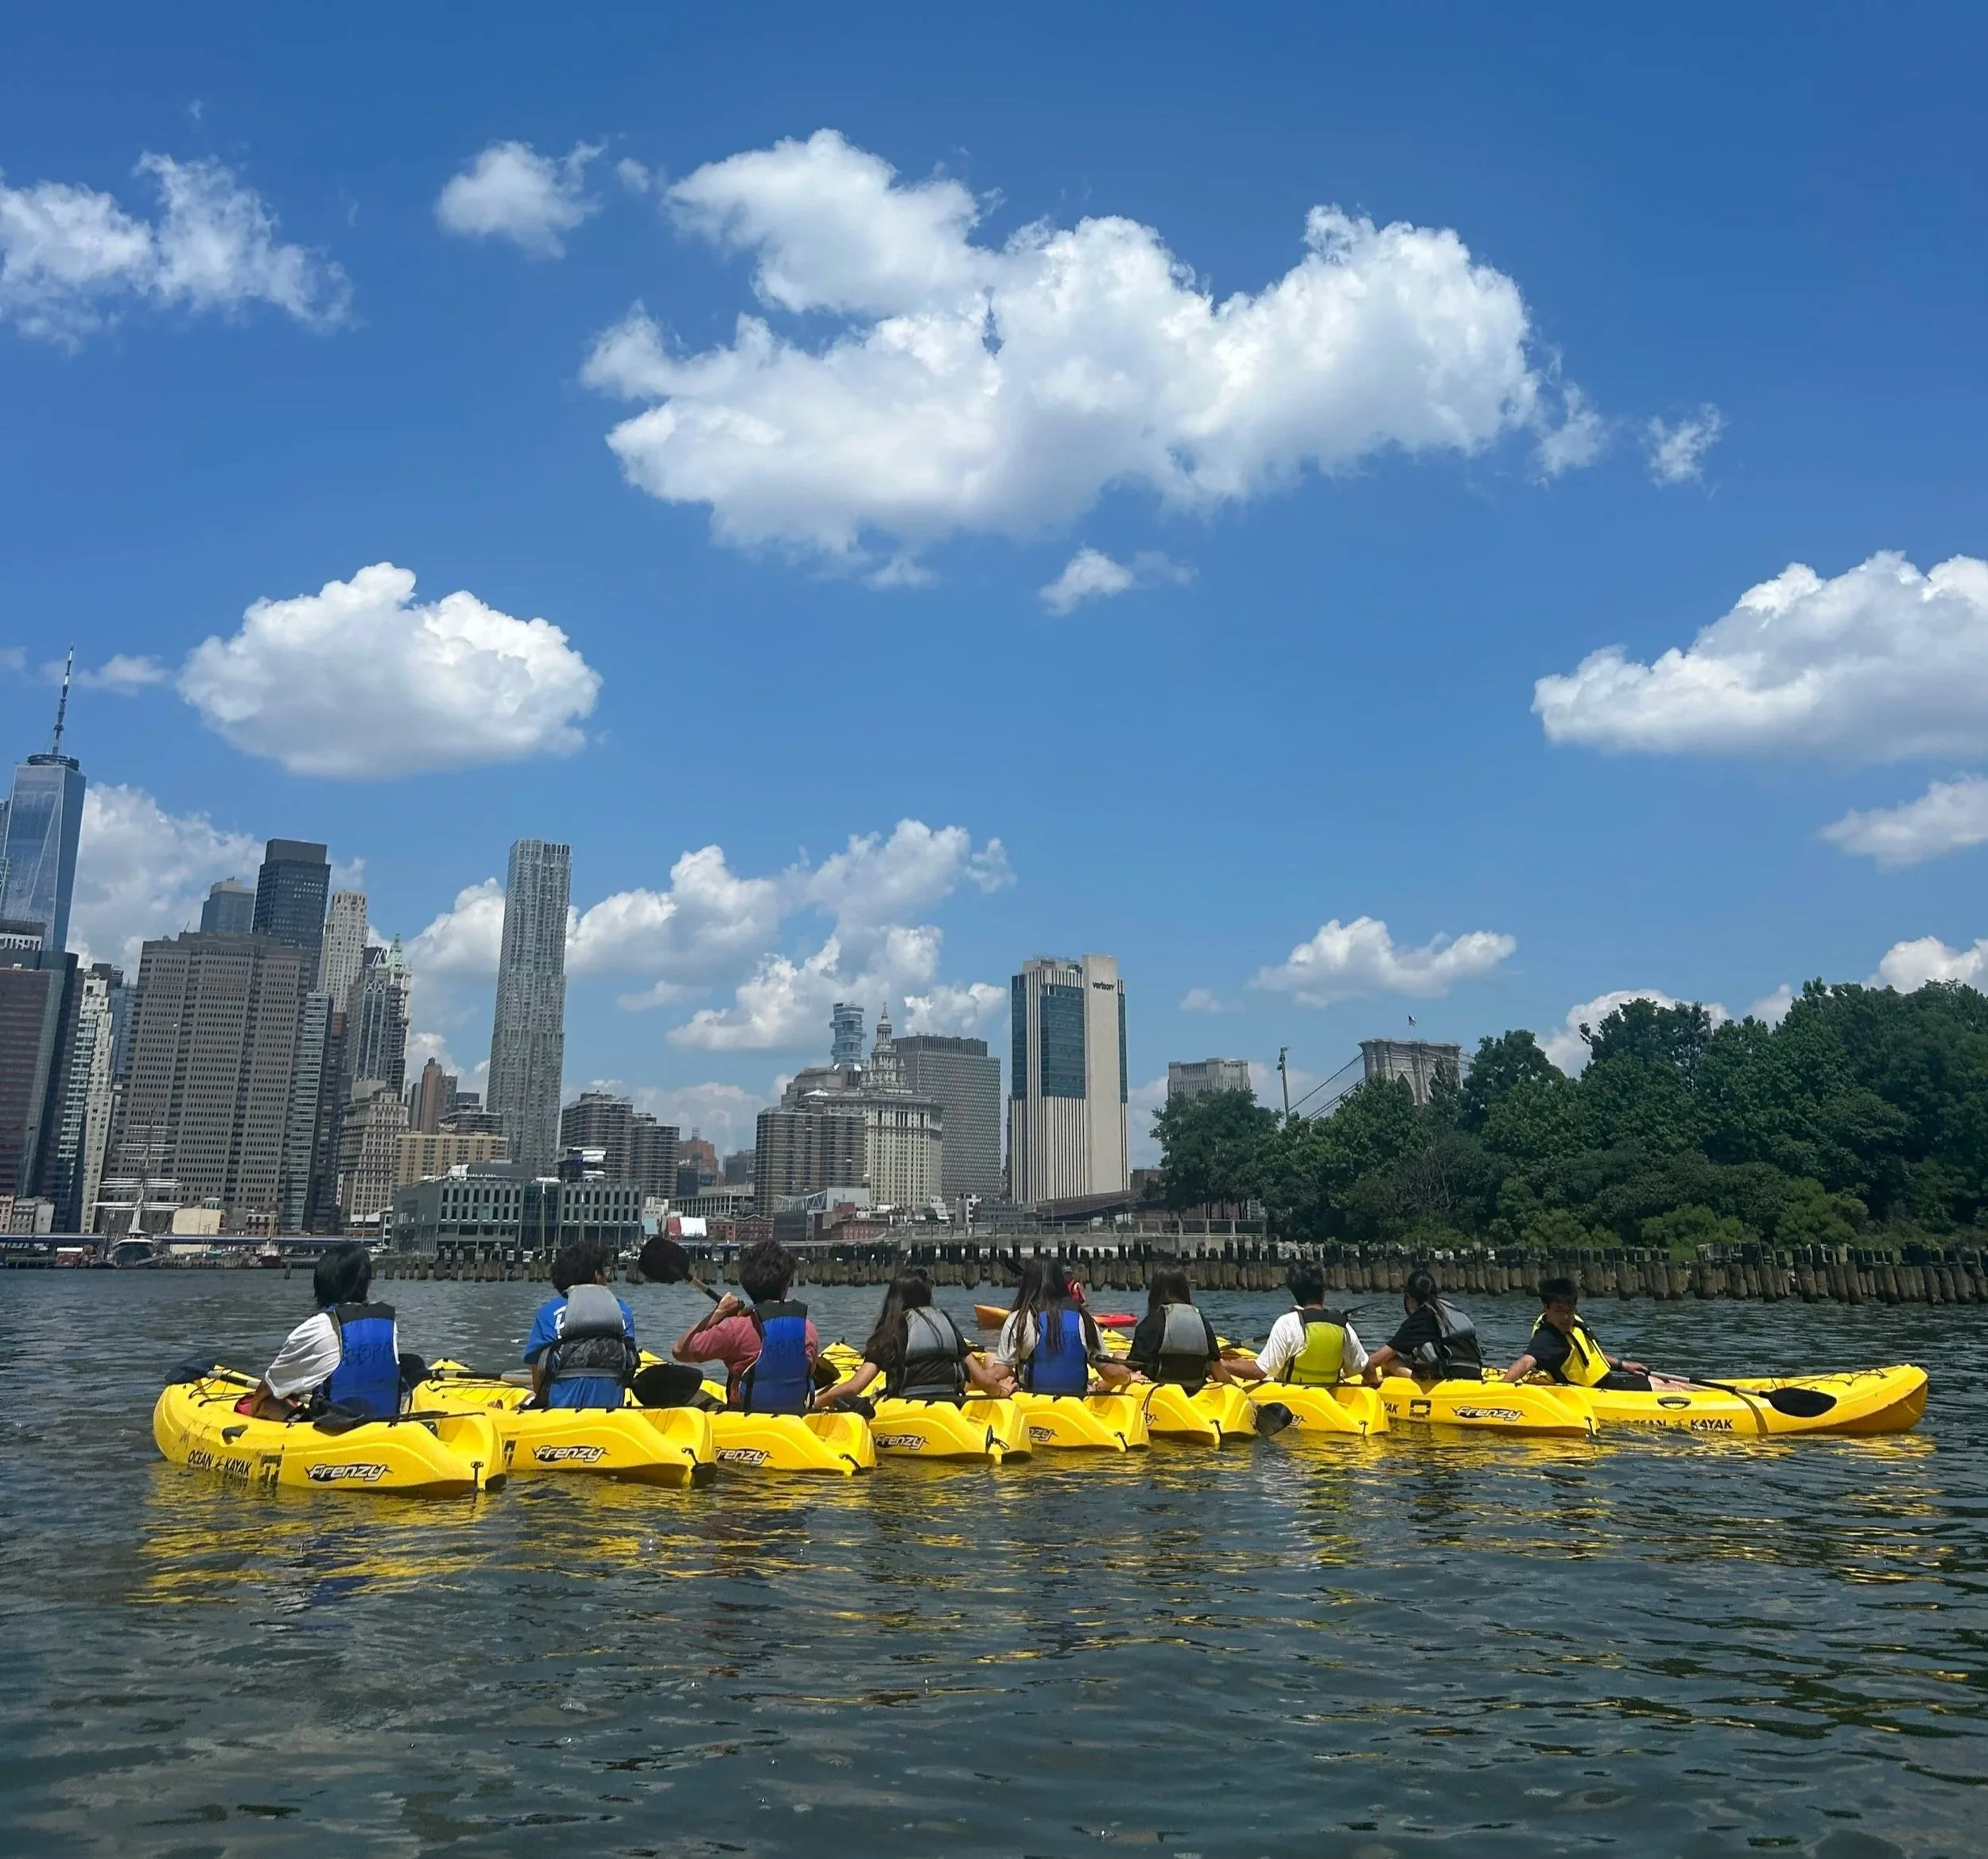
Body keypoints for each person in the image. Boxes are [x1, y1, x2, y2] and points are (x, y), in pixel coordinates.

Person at [243, 1242, 403, 1421]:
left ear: (320, 1283)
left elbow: (266, 1392)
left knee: (265, 1403)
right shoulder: (388, 1324)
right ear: (366, 1282)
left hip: (335, 1428)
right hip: (384, 1423)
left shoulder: (315, 1329)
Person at [671, 1238, 821, 1413]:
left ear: (746, 1284)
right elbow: (808, 1372)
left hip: (744, 1417)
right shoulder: (808, 1329)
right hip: (794, 1415)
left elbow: (680, 1351)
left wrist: (719, 1313)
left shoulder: (734, 1329)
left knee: (694, 1395)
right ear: (785, 1285)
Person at [817, 1274, 1006, 1407]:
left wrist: (819, 1402)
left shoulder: (891, 1331)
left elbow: (855, 1386)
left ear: (894, 1300)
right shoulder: (944, 1321)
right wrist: (1002, 1391)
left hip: (907, 1405)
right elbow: (983, 1380)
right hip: (952, 1402)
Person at [523, 1240, 642, 1408]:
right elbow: (629, 1365)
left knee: (530, 1395)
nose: (606, 1278)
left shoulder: (548, 1313)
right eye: (604, 1272)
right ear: (596, 1275)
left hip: (558, 1414)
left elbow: (538, 1379)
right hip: (610, 1413)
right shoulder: (622, 1311)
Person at [991, 1258, 1134, 1396]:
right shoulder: (1084, 1319)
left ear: (1026, 1284)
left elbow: (999, 1372)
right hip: (1077, 1401)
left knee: (990, 1360)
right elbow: (1111, 1374)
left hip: (1032, 1401)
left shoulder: (1019, 1320)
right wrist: (1128, 1378)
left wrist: (979, 1376)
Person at [1503, 1277, 1660, 1391]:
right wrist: (1501, 1387)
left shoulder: (1573, 1324)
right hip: (1593, 1392)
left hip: (1607, 1384)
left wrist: (1623, 1365)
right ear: (1546, 1307)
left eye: (1570, 1311)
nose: (1566, 1317)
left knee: (1661, 1382)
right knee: (1670, 1389)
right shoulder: (1548, 1338)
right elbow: (1526, 1362)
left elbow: (1589, 1355)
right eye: (1559, 1311)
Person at [1125, 1267, 1248, 1393]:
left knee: (1120, 1355)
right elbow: (1217, 1370)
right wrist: (1237, 1389)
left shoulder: (1151, 1323)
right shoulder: (1200, 1319)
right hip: (1196, 1389)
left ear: (1155, 1292)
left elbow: (1133, 1366)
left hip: (1160, 1392)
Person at [1251, 1263, 1370, 1387]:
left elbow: (1259, 1371)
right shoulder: (1343, 1327)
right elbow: (1367, 1368)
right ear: (1322, 1290)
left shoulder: (1287, 1324)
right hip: (1328, 1394)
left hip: (1292, 1394)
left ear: (1294, 1293)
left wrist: (1235, 1365)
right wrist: (1373, 1382)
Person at [1362, 1269, 1485, 1381]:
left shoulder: (1421, 1317)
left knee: (1389, 1361)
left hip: (1450, 1376)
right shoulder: (1450, 1309)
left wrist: (1359, 1368)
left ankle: (1418, 1379)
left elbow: (1377, 1359)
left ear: (1411, 1299)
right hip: (1475, 1372)